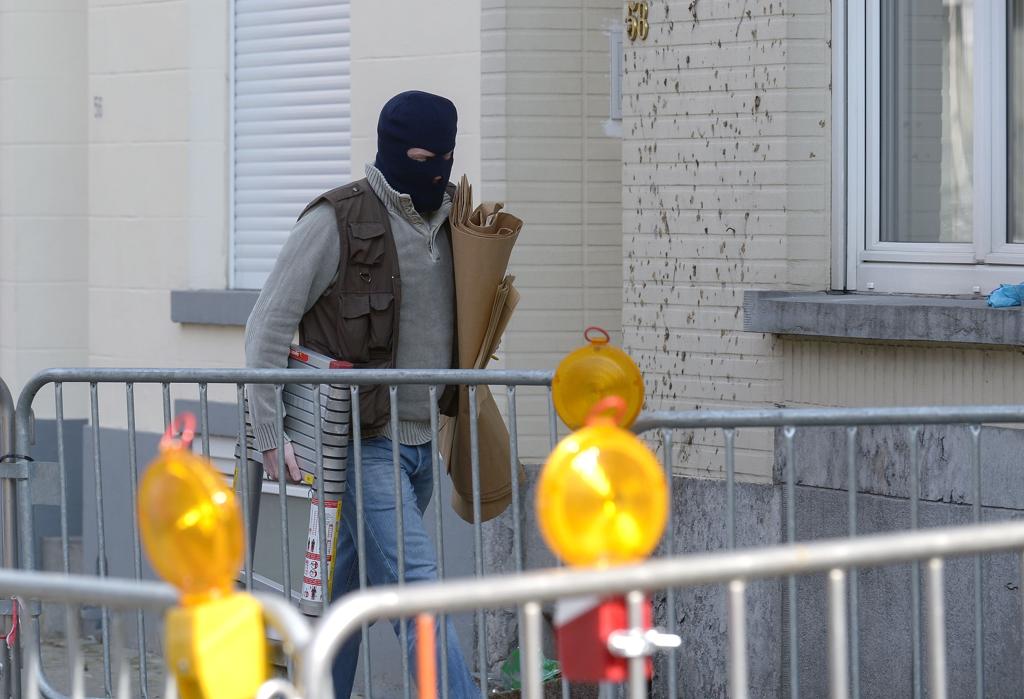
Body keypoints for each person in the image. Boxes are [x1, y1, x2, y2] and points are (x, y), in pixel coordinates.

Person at [244, 90, 478, 698]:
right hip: (362, 440)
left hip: (426, 440)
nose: (436, 171)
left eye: (446, 158)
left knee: (348, 585)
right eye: (424, 156)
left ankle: (314, 690)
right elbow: (266, 324)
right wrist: (270, 433)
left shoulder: (460, 224)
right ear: (393, 149)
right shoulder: (336, 220)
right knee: (418, 588)